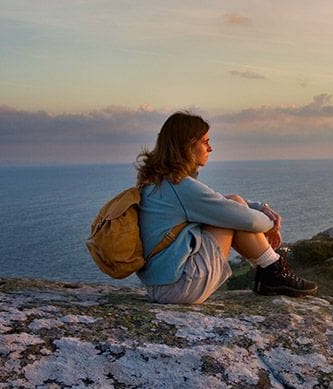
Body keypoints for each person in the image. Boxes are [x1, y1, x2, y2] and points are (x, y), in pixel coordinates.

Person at [134, 111, 317, 304]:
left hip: (160, 287)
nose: (210, 148)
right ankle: (274, 271)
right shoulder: (180, 185)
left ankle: (271, 271)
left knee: (233, 204)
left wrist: (260, 207)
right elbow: (247, 220)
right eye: (205, 142)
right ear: (187, 146)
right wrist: (272, 224)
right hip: (180, 288)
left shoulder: (158, 183)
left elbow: (218, 203)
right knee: (234, 209)